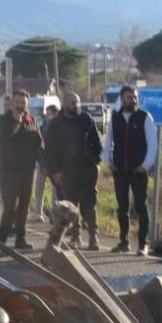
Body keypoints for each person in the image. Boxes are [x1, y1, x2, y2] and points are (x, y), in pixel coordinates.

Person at [45, 92, 103, 250]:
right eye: (72, 103)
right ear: (64, 105)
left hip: (87, 171)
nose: (75, 106)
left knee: (90, 204)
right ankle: (75, 237)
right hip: (67, 172)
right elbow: (50, 151)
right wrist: (55, 172)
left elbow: (97, 144)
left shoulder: (86, 119)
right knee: (71, 206)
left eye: (77, 103)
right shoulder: (56, 123)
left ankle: (93, 236)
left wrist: (96, 162)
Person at [103, 85, 157, 255]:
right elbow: (108, 141)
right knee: (122, 207)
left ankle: (143, 244)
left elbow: (152, 144)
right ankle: (123, 241)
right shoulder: (115, 118)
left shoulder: (144, 117)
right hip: (120, 170)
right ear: (122, 98)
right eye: (129, 97)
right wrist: (108, 161)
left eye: (134, 97)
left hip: (138, 171)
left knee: (141, 207)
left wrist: (145, 165)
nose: (132, 100)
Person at [0, 89, 43, 250]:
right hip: (10, 171)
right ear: (12, 103)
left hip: (27, 171)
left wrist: (40, 159)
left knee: (24, 207)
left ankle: (20, 239)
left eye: (23, 103)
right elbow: (5, 139)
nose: (20, 106)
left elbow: (38, 143)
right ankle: (1, 238)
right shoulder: (4, 120)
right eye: (17, 102)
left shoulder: (30, 120)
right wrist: (15, 122)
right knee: (10, 207)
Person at [33, 103, 59, 223]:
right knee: (40, 187)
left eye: (49, 113)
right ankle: (38, 212)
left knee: (56, 189)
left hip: (56, 163)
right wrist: (43, 164)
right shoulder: (43, 126)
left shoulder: (59, 126)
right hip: (43, 160)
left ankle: (53, 213)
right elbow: (39, 145)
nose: (47, 116)